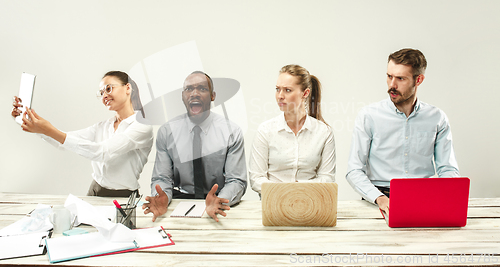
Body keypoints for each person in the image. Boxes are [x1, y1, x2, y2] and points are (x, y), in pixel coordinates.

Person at [346, 48, 460, 216]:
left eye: (400, 78)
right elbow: (354, 170)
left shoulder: (437, 118)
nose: (392, 85)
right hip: (379, 197)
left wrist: (444, 196)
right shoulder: (369, 116)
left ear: (418, 80)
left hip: (425, 195)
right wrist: (379, 198)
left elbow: (448, 169)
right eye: (389, 76)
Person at [11, 71, 154, 197]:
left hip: (124, 197)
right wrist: (36, 125)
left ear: (127, 88)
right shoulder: (103, 126)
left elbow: (102, 152)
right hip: (94, 191)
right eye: (101, 93)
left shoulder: (141, 126)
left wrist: (48, 129)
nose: (104, 95)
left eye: (108, 89)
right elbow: (64, 142)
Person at [143, 71, 247, 222]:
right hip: (179, 202)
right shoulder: (167, 132)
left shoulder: (231, 132)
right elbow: (162, 178)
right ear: (183, 96)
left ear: (213, 96)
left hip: (217, 203)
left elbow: (236, 180)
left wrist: (221, 200)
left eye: (202, 89)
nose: (195, 93)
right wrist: (162, 196)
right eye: (189, 89)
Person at [248, 64, 336, 194]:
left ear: (305, 93)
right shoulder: (266, 130)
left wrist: (296, 189)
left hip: (310, 203)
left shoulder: (324, 132)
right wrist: (285, 192)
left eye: (287, 90)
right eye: (277, 89)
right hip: (273, 203)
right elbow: (256, 178)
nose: (280, 96)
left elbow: (327, 179)